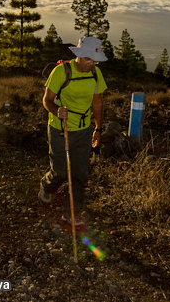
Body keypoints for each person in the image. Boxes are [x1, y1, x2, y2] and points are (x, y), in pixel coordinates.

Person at [38, 36, 108, 227]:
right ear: (79, 56)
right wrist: (57, 111)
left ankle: (72, 212)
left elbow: (97, 103)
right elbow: (47, 100)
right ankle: (47, 185)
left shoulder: (96, 74)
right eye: (89, 59)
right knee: (60, 171)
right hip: (61, 129)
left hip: (84, 130)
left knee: (80, 173)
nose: (93, 63)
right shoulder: (61, 71)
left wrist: (98, 129)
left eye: (95, 60)